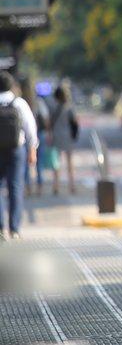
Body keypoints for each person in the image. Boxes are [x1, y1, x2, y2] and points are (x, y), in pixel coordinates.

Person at [0, 72, 37, 240]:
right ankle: (14, 229)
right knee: (15, 187)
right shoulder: (19, 103)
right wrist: (32, 149)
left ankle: (0, 228)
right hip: (16, 149)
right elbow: (30, 127)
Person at [18, 77, 49, 197]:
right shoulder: (38, 102)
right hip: (39, 134)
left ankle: (27, 187)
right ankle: (39, 187)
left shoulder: (20, 102)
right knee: (39, 162)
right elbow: (46, 119)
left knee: (25, 164)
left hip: (22, 137)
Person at [49, 84, 79, 195]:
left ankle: (56, 185)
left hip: (56, 136)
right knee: (69, 161)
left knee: (56, 162)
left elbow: (49, 122)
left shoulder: (53, 107)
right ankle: (72, 185)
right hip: (68, 136)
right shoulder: (70, 107)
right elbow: (75, 122)